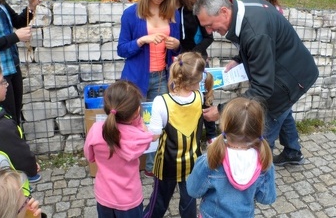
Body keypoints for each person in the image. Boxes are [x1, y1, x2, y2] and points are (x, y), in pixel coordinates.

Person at [193, 0, 319, 166]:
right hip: (289, 68)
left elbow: (263, 88)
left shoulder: (254, 31)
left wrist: (222, 111)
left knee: (262, 134)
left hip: (290, 79)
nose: (209, 31)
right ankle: (293, 152)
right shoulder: (241, 9)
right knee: (284, 111)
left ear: (223, 11)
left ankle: (258, 182)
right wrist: (239, 58)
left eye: (209, 25)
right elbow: (260, 42)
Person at [117, 0, 181, 178]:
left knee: (159, 123)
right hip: (136, 78)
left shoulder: (173, 13)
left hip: (162, 76)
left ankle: (152, 166)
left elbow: (177, 46)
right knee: (130, 121)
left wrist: (176, 45)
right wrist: (142, 40)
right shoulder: (131, 14)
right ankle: (128, 163)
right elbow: (122, 49)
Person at [143, 52, 213, 218]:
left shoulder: (161, 101)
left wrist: (139, 125)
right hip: (192, 162)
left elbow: (154, 136)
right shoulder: (199, 96)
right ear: (197, 80)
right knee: (189, 204)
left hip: (167, 164)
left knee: (158, 202)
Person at [186, 97, 276, 217]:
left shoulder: (210, 160)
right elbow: (267, 199)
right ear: (259, 128)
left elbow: (193, 190)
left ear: (224, 126)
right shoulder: (265, 163)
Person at [84, 80, 154, 218]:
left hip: (104, 197)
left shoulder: (95, 129)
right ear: (136, 112)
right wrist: (138, 119)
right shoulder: (137, 138)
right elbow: (147, 136)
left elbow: (90, 156)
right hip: (129, 201)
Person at [0, 0, 42, 124]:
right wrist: (14, 37)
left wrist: (30, 7)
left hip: (12, 69)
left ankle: (16, 145)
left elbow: (17, 21)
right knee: (5, 120)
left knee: (15, 117)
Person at [172, 0, 216, 142]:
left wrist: (194, 54)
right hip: (179, 61)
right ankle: (189, 135)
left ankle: (211, 135)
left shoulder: (196, 10)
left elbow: (208, 37)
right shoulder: (172, 11)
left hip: (198, 59)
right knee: (183, 96)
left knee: (205, 97)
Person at [0, 58, 41, 183]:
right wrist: (31, 167)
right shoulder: (1, 126)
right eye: (1, 82)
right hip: (11, 191)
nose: (7, 84)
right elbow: (21, 157)